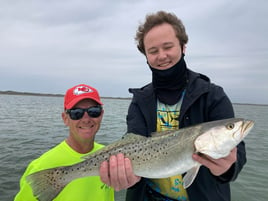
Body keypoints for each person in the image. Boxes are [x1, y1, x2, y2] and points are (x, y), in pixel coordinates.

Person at [99, 11, 246, 201]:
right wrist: (125, 177)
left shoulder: (212, 95)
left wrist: (228, 168)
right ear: (146, 55)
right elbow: (132, 143)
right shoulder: (140, 100)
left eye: (168, 47)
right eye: (153, 51)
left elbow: (238, 154)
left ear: (183, 47)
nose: (161, 56)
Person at [15, 84, 114, 201]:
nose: (86, 119)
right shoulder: (40, 167)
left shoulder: (112, 156)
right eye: (76, 113)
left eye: (94, 111)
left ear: (101, 115)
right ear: (65, 118)